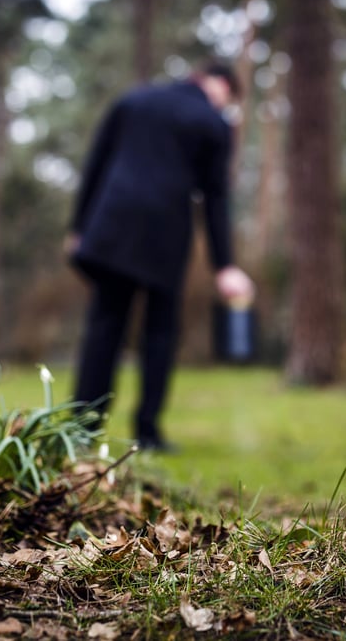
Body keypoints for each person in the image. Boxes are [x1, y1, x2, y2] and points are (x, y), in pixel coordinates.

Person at [66, 61, 254, 451]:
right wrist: (225, 265)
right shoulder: (213, 122)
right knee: (160, 333)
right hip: (164, 235)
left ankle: (82, 429)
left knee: (105, 327)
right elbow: (215, 197)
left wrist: (79, 227)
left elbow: (96, 165)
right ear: (220, 86)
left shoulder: (135, 100)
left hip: (112, 225)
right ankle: (147, 433)